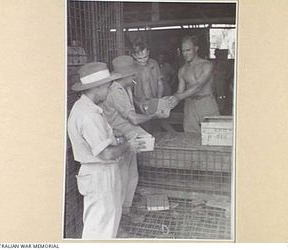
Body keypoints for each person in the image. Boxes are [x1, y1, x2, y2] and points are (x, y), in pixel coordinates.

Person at [67, 62, 143, 239]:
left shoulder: (86, 108)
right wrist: (129, 145)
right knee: (100, 229)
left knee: (105, 224)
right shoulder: (89, 115)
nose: (109, 90)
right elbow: (106, 153)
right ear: (98, 87)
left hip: (100, 173)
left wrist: (114, 136)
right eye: (108, 86)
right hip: (99, 175)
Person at [102, 55, 157, 224]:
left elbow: (134, 104)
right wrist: (154, 115)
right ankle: (119, 217)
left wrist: (144, 106)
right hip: (120, 137)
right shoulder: (115, 92)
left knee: (132, 174)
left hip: (129, 134)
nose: (135, 76)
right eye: (132, 74)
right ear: (124, 76)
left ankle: (126, 210)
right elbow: (133, 118)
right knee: (123, 176)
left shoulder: (126, 87)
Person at [168, 35, 219, 134]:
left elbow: (198, 86)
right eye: (183, 51)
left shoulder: (207, 65)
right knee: (190, 136)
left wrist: (178, 97)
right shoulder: (182, 70)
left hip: (206, 102)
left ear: (196, 49)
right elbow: (179, 91)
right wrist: (170, 100)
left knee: (213, 135)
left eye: (188, 50)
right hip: (190, 105)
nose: (185, 54)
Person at [213, 49, 233, 115]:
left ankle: (222, 110)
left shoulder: (226, 64)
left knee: (222, 97)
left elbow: (229, 74)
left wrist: (225, 78)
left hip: (223, 83)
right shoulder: (214, 64)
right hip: (215, 83)